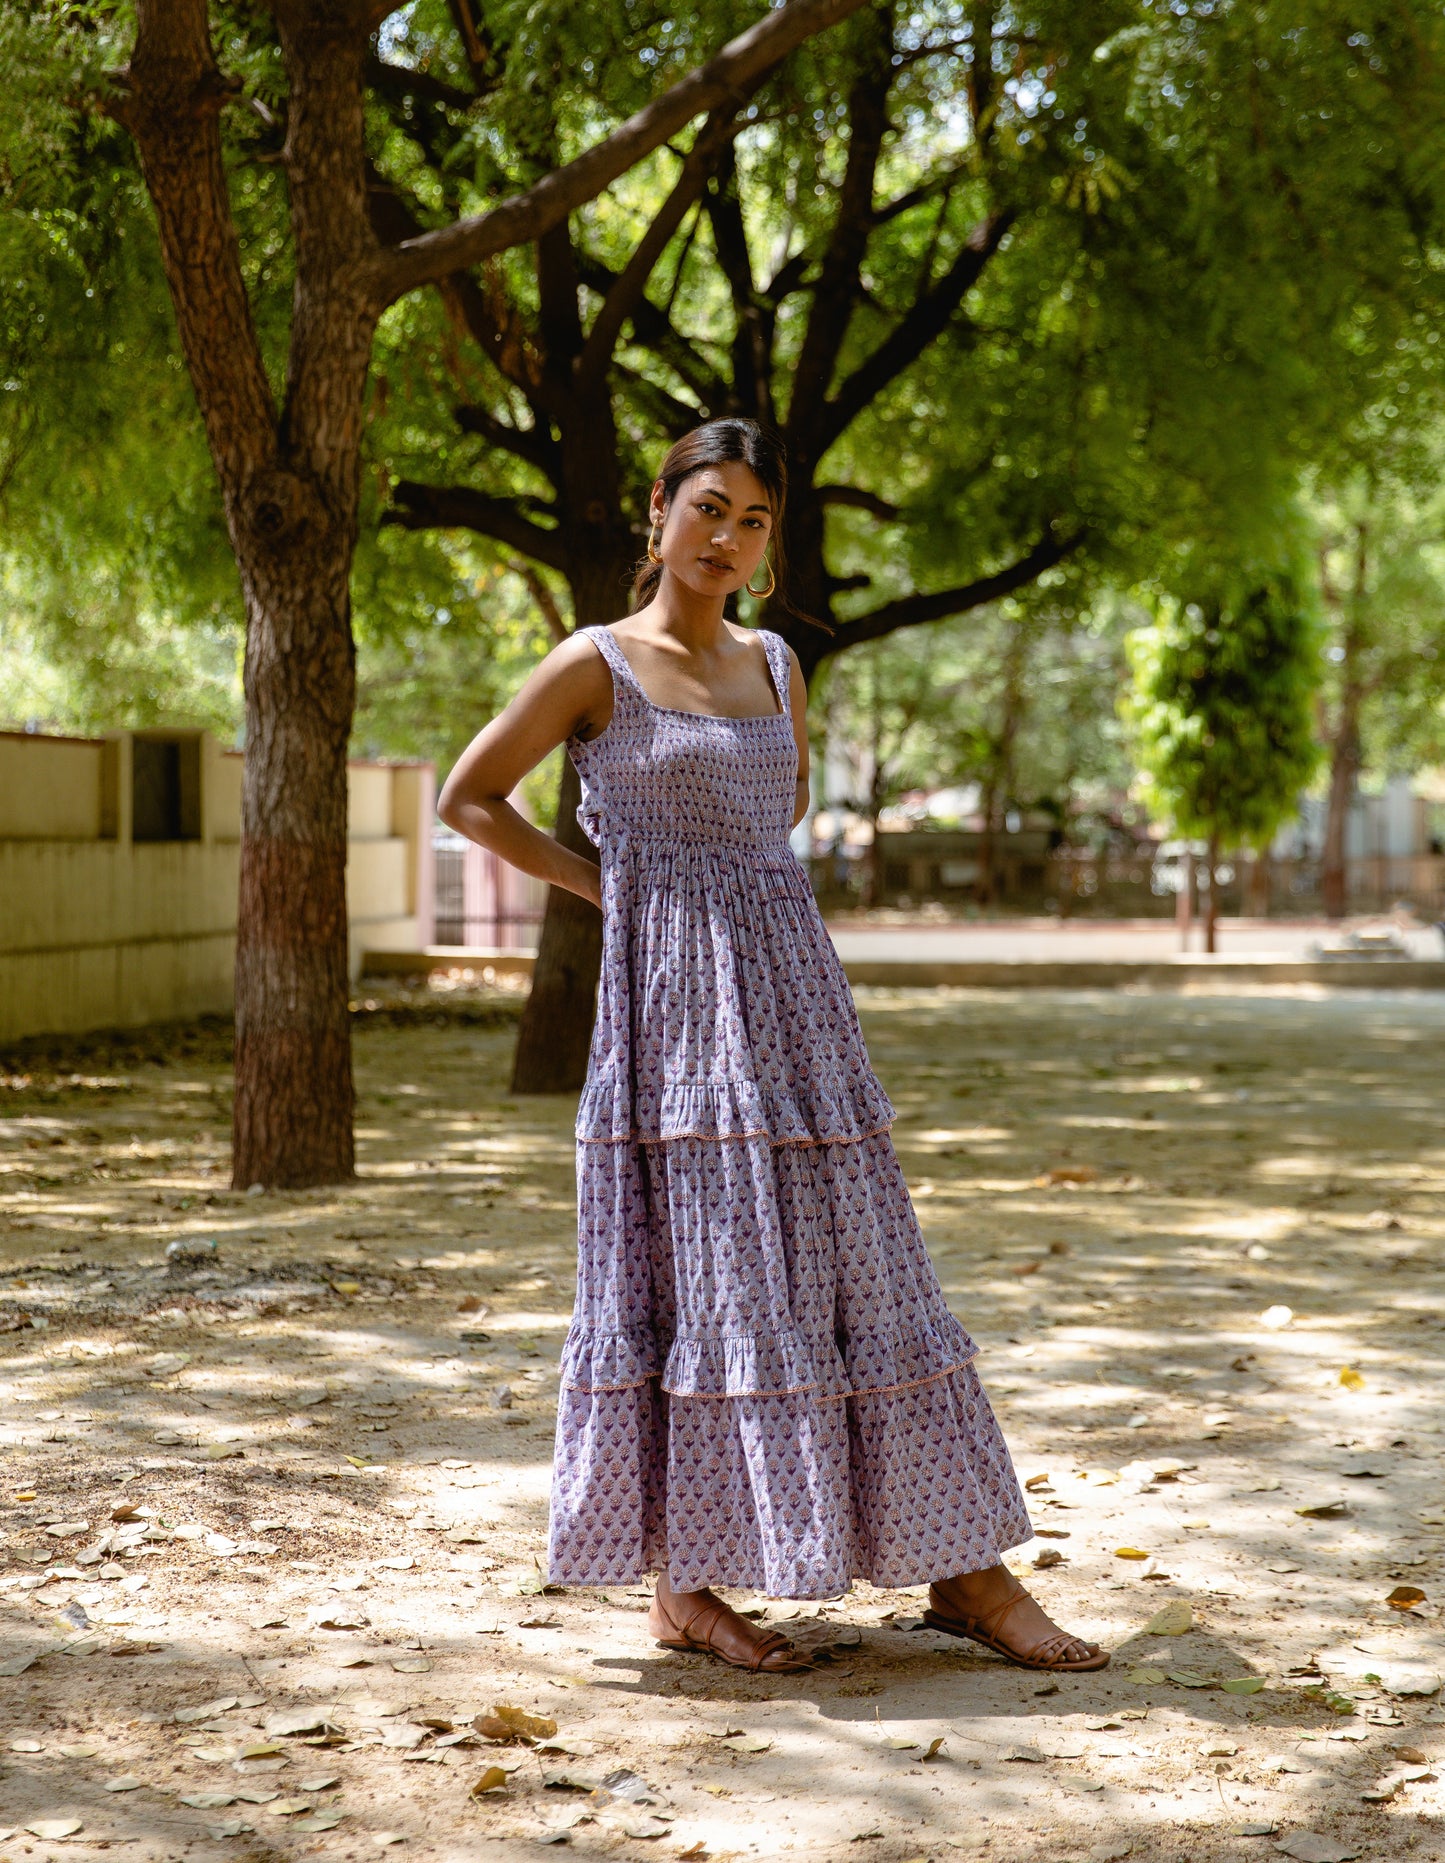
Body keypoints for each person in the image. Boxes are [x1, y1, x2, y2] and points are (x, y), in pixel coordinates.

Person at [437, 418, 1108, 1676]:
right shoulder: (594, 663)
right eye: (707, 508)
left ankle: (964, 1570)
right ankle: (683, 1587)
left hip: (794, 999)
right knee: (701, 1271)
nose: (726, 537)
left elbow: (777, 809)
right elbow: (468, 796)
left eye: (752, 520)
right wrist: (605, 886)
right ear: (657, 513)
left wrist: (722, 885)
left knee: (863, 1265)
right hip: (670, 1012)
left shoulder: (779, 665)